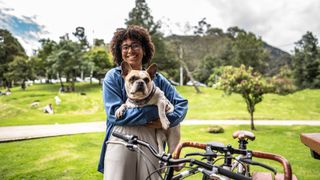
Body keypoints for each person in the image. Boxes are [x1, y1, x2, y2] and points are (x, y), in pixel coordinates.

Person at [98, 25, 188, 180]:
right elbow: (115, 115)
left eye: (135, 45)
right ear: (119, 51)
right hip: (121, 137)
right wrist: (157, 112)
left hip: (151, 139)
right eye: (125, 47)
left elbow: (182, 104)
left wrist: (166, 120)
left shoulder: (157, 79)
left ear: (144, 49)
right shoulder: (113, 77)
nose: (130, 50)